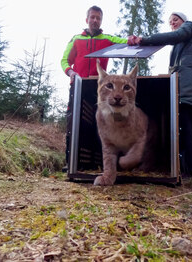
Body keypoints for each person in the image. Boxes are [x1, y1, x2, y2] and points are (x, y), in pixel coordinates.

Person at [128, 12, 192, 181]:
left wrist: (144, 40)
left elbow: (175, 36)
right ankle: (186, 170)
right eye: (170, 22)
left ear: (184, 21)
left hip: (188, 89)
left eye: (175, 20)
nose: (173, 24)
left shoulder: (190, 27)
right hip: (181, 89)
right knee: (182, 130)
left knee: (187, 129)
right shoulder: (177, 48)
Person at [61, 6, 127, 171]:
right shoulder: (76, 39)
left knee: (101, 122)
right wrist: (71, 72)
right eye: (92, 17)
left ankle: (99, 163)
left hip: (100, 88)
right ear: (87, 19)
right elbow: (64, 60)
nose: (95, 20)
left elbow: (126, 42)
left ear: (101, 20)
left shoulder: (108, 39)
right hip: (78, 85)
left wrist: (135, 40)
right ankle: (70, 163)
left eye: (98, 18)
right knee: (74, 121)